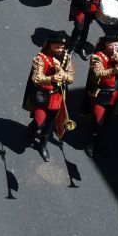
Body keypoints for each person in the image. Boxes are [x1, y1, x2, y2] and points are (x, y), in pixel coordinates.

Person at [22, 32, 75, 162]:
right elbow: (36, 78)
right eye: (57, 47)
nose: (60, 50)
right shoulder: (40, 58)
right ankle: (33, 127)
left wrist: (62, 73)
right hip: (42, 94)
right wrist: (51, 78)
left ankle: (43, 145)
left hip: (56, 96)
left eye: (62, 47)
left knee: (50, 122)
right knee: (40, 121)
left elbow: (71, 77)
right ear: (50, 45)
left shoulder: (66, 58)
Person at [84, 34, 118, 158]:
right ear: (106, 44)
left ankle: (98, 142)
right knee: (98, 121)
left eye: (117, 44)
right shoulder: (98, 56)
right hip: (102, 93)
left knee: (107, 121)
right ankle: (90, 142)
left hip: (116, 93)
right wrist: (114, 70)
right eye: (112, 44)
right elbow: (98, 72)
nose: (115, 47)